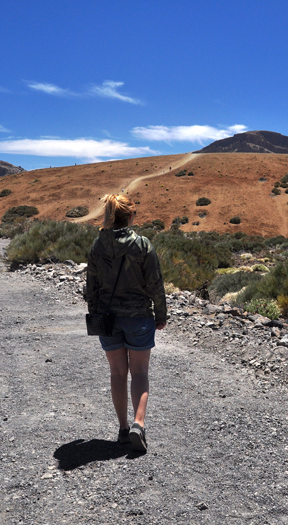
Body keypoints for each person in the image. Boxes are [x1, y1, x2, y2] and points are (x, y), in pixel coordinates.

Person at [85, 194, 167, 452]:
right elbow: (155, 283)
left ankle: (122, 429)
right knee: (139, 373)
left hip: (108, 318)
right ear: (130, 216)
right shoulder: (142, 244)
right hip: (138, 317)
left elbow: (92, 288)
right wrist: (161, 315)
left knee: (117, 374)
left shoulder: (98, 245)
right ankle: (138, 425)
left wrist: (95, 316)